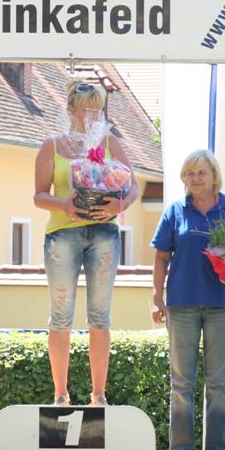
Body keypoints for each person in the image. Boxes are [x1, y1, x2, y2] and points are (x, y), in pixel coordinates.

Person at [33, 80, 140, 406]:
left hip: (104, 233)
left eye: (98, 108)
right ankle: (61, 394)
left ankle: (98, 395)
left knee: (100, 315)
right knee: (61, 315)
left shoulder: (110, 143)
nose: (93, 114)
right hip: (63, 234)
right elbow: (38, 195)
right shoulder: (51, 146)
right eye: (87, 107)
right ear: (70, 110)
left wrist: (118, 205)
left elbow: (132, 187)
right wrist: (65, 205)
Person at [151, 149, 225, 450]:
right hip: (182, 303)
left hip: (223, 304)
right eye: (189, 173)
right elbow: (162, 256)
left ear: (214, 175)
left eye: (201, 172)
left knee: (218, 383)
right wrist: (156, 296)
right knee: (182, 382)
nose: (195, 178)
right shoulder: (176, 211)